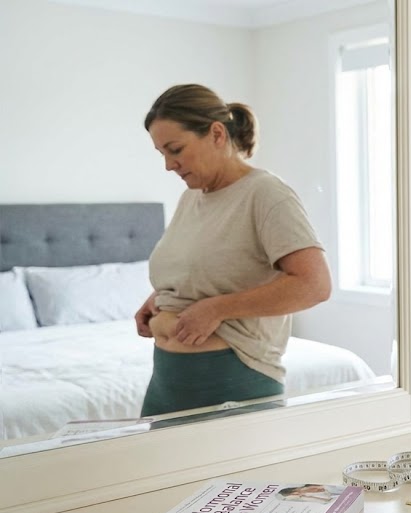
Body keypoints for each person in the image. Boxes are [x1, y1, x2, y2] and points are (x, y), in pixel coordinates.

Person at [135, 84, 331, 417]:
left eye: (176, 149)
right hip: (167, 383)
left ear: (216, 134)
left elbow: (314, 285)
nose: (169, 165)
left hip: (234, 381)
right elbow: (202, 268)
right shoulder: (192, 197)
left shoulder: (266, 194)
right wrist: (158, 299)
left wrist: (217, 309)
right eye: (162, 154)